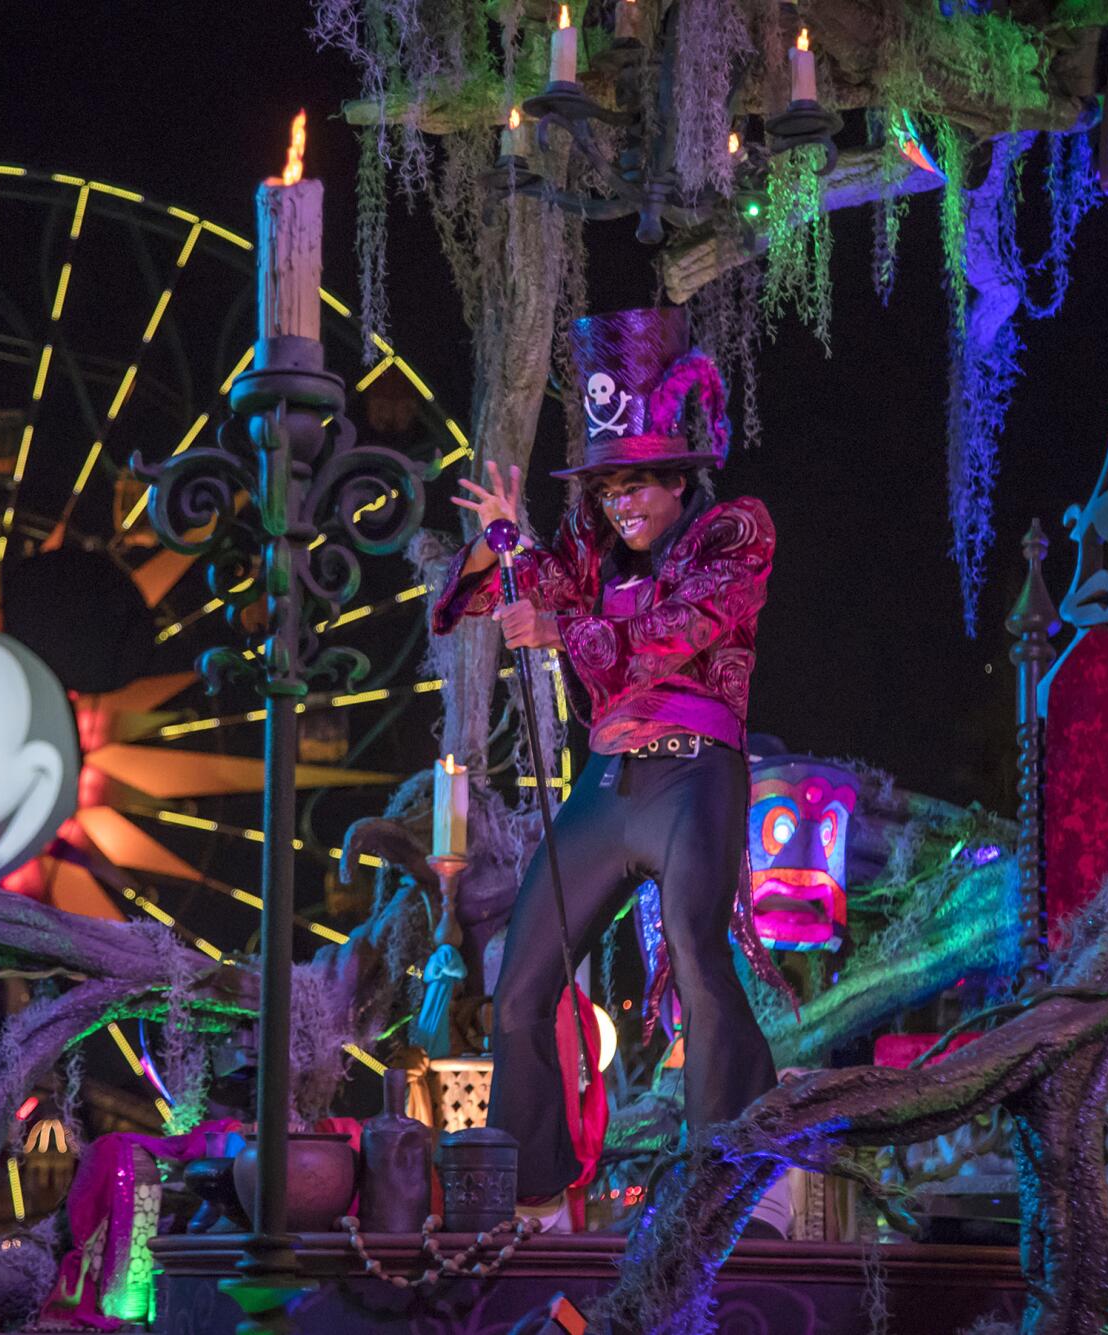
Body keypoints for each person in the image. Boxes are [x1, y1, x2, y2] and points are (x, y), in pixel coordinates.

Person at [432, 306, 781, 1228]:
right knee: (520, 983)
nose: (620, 503)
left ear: (680, 478)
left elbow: (673, 636)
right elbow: (522, 585)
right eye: (606, 487)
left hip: (693, 778)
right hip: (607, 787)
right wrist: (507, 537)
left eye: (637, 487)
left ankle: (727, 1168)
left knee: (699, 962)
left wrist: (562, 629)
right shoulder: (592, 545)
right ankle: (535, 1191)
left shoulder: (735, 533)